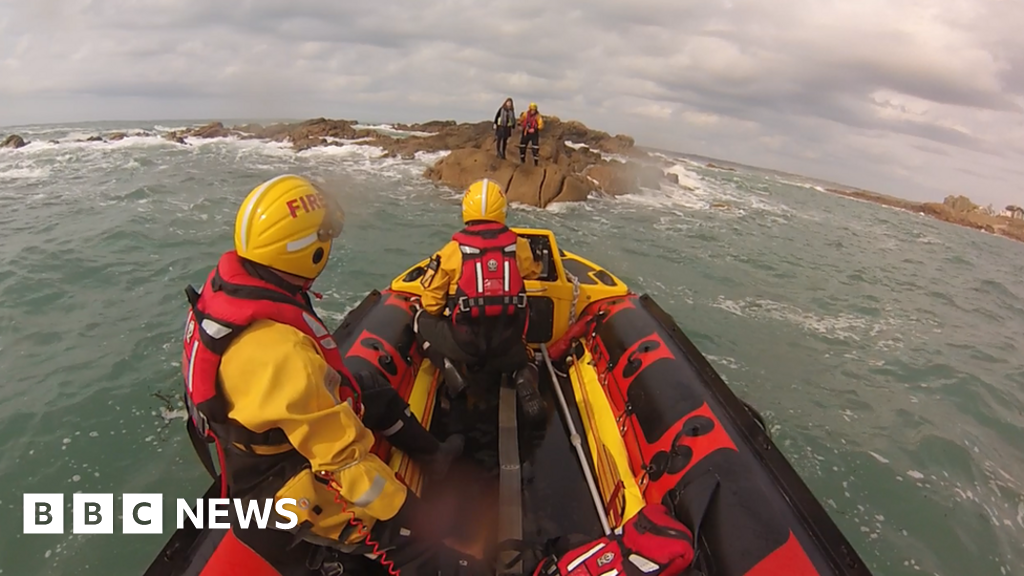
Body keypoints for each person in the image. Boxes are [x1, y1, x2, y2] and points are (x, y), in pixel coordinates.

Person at [180, 174, 463, 572]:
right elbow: (346, 465)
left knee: (371, 391)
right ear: (307, 251)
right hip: (282, 488)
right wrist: (414, 515)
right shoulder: (283, 352)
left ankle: (433, 457)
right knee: (428, 549)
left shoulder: (225, 293)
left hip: (256, 441)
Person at [412, 177, 547, 422]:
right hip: (507, 348)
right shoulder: (519, 246)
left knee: (420, 320)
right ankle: (523, 377)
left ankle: (451, 371)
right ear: (502, 210)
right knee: (525, 355)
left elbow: (431, 305)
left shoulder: (451, 251)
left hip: (466, 347)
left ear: (466, 209)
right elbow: (536, 270)